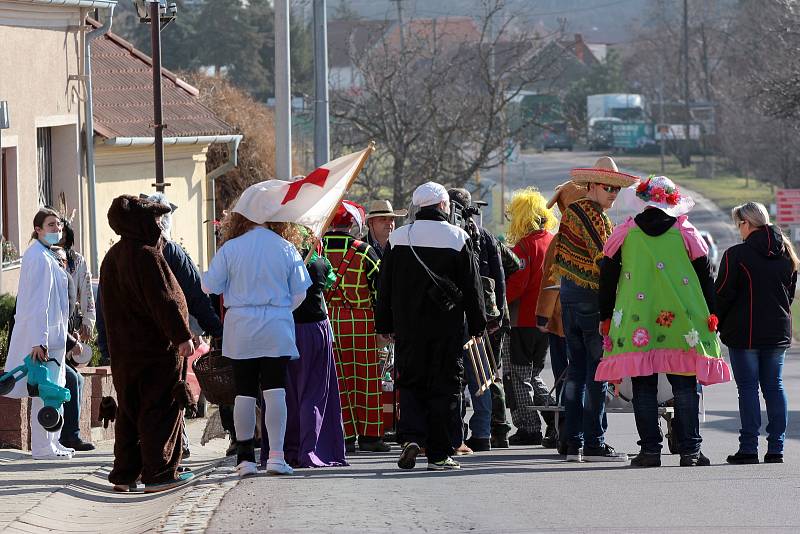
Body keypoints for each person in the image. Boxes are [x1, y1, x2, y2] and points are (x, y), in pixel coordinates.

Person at [597, 175, 731, 467]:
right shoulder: (685, 231)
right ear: (670, 201)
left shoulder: (624, 233)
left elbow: (606, 277)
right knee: (684, 386)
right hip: (683, 320)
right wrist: (712, 311)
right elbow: (706, 276)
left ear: (645, 201)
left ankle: (650, 451)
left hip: (637, 320)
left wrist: (605, 315)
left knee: (643, 387)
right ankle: (690, 451)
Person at [202, 181, 311, 477]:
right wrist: (279, 311)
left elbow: (210, 285)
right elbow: (301, 293)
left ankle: (245, 458)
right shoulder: (286, 247)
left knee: (245, 393)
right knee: (276, 392)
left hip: (241, 326)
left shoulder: (231, 248)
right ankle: (275, 455)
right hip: (276, 324)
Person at [376, 181, 486, 471]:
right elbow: (472, 287)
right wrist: (478, 324)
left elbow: (384, 286)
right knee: (444, 387)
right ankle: (438, 453)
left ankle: (411, 437)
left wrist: (384, 323)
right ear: (441, 206)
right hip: (446, 329)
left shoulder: (399, 238)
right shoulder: (458, 237)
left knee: (410, 382)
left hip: (408, 329)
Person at [100, 195, 195, 492]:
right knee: (160, 409)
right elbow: (165, 302)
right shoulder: (147, 256)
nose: (158, 225)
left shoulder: (112, 257)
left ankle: (125, 475)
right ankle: (160, 472)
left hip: (124, 354)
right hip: (155, 352)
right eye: (154, 219)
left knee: (129, 412)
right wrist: (182, 337)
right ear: (140, 222)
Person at [552, 156, 635, 463]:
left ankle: (572, 442)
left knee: (575, 373)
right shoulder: (592, 214)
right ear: (592, 186)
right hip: (590, 298)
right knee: (596, 374)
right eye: (608, 187)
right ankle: (594, 444)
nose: (613, 193)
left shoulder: (570, 212)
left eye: (616, 188)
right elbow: (604, 258)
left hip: (569, 296)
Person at [717, 202, 797, 465]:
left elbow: (722, 295)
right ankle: (777, 448)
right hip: (777, 331)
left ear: (746, 224)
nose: (737, 229)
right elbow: (789, 294)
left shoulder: (736, 255)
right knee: (774, 387)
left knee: (748, 389)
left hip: (745, 332)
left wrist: (717, 322)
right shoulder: (786, 253)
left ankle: (749, 447)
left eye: (738, 224)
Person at [261, 227, 347, 468]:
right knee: (313, 391)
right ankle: (310, 448)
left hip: (284, 328)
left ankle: (288, 448)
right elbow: (327, 279)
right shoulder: (317, 263)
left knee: (284, 391)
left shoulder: (279, 260)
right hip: (311, 330)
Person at [2, 208, 72, 460]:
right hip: (44, 338)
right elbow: (37, 303)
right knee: (46, 392)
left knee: (55, 389)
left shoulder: (47, 255)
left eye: (59, 225)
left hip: (53, 336)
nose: (57, 229)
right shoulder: (38, 257)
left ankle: (53, 442)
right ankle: (43, 447)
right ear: (38, 229)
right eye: (51, 225)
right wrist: (37, 341)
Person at [323, 201, 389, 453]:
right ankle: (371, 437)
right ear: (352, 224)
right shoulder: (363, 251)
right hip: (361, 321)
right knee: (367, 380)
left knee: (339, 380)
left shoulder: (317, 249)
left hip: (329, 321)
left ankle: (345, 436)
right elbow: (380, 289)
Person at [447, 188, 505, 453]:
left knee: (455, 377)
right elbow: (500, 276)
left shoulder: (448, 235)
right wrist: (498, 315)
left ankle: (456, 431)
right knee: (481, 376)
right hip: (481, 316)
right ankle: (482, 432)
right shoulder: (485, 237)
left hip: (453, 315)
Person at [503, 188, 557, 447]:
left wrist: (497, 297)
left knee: (519, 376)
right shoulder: (552, 241)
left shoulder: (524, 247)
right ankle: (557, 419)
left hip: (522, 320)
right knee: (535, 375)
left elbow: (517, 285)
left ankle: (528, 427)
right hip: (546, 322)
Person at [535, 181, 587, 450]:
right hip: (585, 317)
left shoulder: (560, 239)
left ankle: (566, 431)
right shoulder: (591, 232)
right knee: (583, 376)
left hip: (559, 321)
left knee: (563, 375)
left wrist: (542, 316)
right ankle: (579, 432)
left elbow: (550, 280)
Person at [55, 218, 96, 452]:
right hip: (52, 332)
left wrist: (88, 322)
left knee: (72, 377)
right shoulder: (43, 259)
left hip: (70, 328)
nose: (58, 235)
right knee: (71, 379)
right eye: (53, 228)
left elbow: (87, 294)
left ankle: (68, 434)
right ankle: (67, 434)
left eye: (61, 230)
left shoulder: (76, 260)